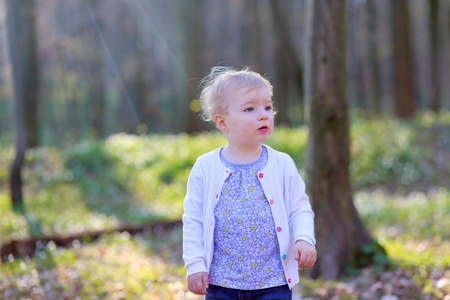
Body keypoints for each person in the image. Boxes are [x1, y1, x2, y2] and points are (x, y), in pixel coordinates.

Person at [182, 66, 316, 299]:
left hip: (273, 282)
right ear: (223, 123)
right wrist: (195, 264)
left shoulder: (281, 164)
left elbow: (299, 207)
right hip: (220, 282)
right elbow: (193, 219)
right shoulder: (206, 167)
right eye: (250, 108)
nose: (263, 114)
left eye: (268, 106)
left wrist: (304, 238)